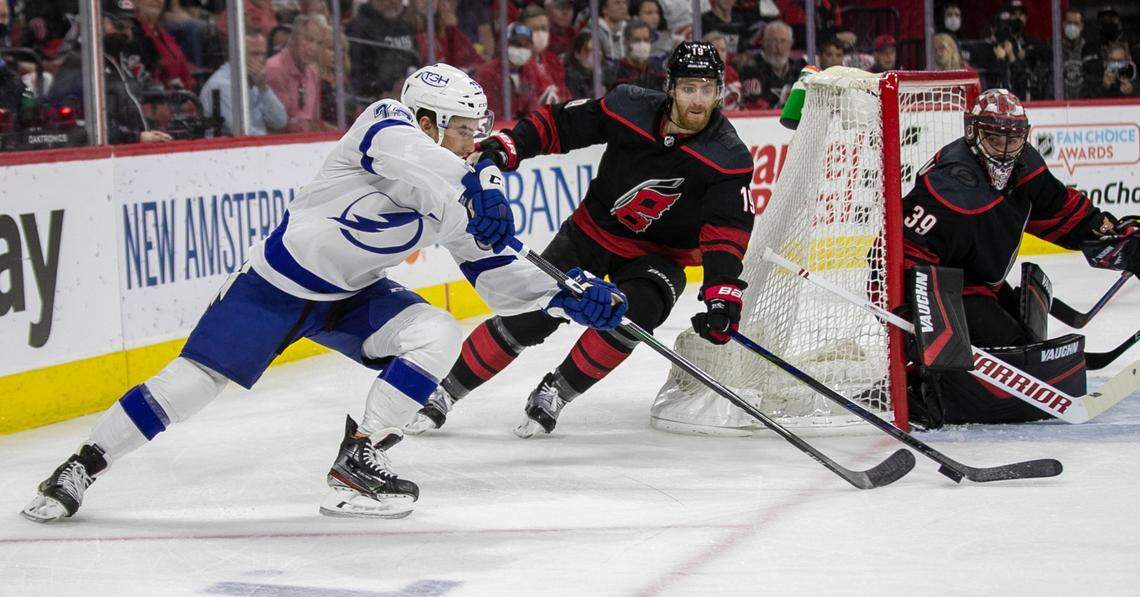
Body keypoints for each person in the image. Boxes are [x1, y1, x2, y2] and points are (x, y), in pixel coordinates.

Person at [21, 63, 626, 524]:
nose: (475, 142)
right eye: (464, 131)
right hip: (275, 287)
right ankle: (82, 465)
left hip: (354, 296)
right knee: (189, 387)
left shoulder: (455, 194)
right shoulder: (385, 123)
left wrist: (563, 296)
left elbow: (497, 278)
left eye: (478, 133)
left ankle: (359, 458)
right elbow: (417, 159)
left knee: (436, 332)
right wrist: (481, 179)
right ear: (427, 122)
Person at [405, 42, 755, 438]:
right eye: (690, 88)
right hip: (591, 233)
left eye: (707, 89)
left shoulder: (728, 157)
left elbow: (726, 231)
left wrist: (722, 294)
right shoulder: (629, 106)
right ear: (671, 87)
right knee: (531, 314)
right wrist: (510, 147)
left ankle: (557, 390)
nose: (698, 100)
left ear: (719, 91)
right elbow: (560, 125)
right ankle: (445, 391)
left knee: (632, 316)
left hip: (659, 256)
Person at [900, 89, 1138, 428]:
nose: (1006, 149)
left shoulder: (1025, 164)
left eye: (1013, 139)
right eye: (995, 138)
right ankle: (919, 386)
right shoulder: (949, 186)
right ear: (974, 134)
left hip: (982, 284)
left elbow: (1060, 211)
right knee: (1014, 357)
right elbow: (903, 252)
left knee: (1026, 344)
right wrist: (913, 317)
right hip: (948, 291)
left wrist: (1115, 237)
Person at [199, 32, 287, 136]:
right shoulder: (222, 85)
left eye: (263, 54)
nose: (260, 59)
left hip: (257, 148)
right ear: (236, 55)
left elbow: (280, 122)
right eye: (254, 54)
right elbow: (243, 133)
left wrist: (263, 88)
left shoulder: (255, 81)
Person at [474, 22, 559, 120]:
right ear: (505, 45)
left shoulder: (529, 71)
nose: (521, 49)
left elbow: (531, 108)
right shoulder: (488, 73)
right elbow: (490, 113)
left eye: (526, 46)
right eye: (516, 44)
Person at [347, 0, 420, 100]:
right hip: (376, 101)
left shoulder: (406, 24)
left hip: (409, 93)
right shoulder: (359, 29)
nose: (392, 3)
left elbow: (416, 60)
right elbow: (358, 75)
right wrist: (383, 91)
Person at [265, 15, 326, 132]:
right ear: (293, 38)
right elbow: (279, 124)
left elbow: (314, 121)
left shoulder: (313, 74)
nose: (313, 48)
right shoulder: (274, 69)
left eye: (319, 43)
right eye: (308, 39)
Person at [739, 20, 804, 109]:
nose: (778, 47)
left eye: (783, 41)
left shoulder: (799, 69)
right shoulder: (750, 69)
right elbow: (754, 106)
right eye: (774, 41)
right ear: (764, 43)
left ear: (790, 44)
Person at [521, 5, 570, 101]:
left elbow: (565, 94)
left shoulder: (553, 60)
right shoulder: (520, 64)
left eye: (543, 28)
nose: (540, 33)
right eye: (534, 29)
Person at [604, 19, 667, 92]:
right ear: (626, 42)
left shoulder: (658, 70)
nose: (642, 44)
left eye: (646, 40)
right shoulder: (616, 73)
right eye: (637, 40)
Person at [563, 30, 597, 99]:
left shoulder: (598, 75)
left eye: (596, 50)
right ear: (577, 54)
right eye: (587, 50)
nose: (593, 55)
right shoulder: (571, 77)